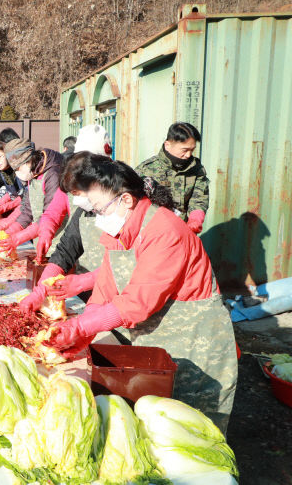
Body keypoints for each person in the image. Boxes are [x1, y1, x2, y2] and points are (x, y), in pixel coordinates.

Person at [39, 156, 237, 431]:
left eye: (98, 209)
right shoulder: (119, 233)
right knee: (157, 424)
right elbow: (106, 288)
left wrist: (79, 326)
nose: (96, 217)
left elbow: (136, 304)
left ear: (126, 200)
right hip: (159, 339)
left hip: (195, 342)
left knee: (195, 430)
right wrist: (84, 331)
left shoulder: (165, 231)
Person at [20, 126, 114, 311]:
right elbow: (66, 249)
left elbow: (133, 266)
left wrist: (85, 281)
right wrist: (41, 290)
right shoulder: (83, 210)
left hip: (125, 300)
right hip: (91, 287)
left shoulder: (128, 206)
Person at [0, 139, 69, 262]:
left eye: (18, 168)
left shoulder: (53, 174)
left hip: (60, 244)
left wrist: (18, 238)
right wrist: (9, 232)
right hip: (41, 241)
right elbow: (28, 211)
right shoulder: (33, 173)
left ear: (28, 160)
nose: (18, 172)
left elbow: (51, 215)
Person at [135, 122, 209, 233]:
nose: (188, 155)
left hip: (184, 231)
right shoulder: (145, 170)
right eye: (184, 150)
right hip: (152, 233)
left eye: (192, 150)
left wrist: (195, 220)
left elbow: (199, 198)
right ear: (167, 145)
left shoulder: (196, 169)